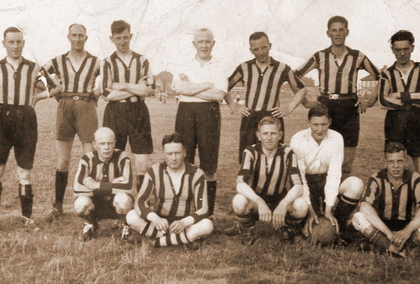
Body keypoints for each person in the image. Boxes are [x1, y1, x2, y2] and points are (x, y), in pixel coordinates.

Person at [0, 26, 60, 234]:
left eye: (19, 42)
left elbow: (55, 87)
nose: (16, 46)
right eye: (11, 42)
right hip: (1, 120)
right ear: (4, 44)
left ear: (23, 43)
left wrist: (37, 97)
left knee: (25, 172)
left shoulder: (34, 68)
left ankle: (26, 218)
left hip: (26, 120)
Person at [294, 16, 380, 177]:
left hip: (350, 108)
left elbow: (381, 76)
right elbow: (294, 76)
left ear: (347, 32)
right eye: (334, 30)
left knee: (346, 164)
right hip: (326, 107)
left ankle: (343, 201)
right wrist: (305, 101)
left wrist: (369, 100)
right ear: (328, 33)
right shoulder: (320, 56)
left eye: (341, 29)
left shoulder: (357, 56)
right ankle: (324, 199)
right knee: (323, 159)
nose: (338, 33)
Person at [43, 23, 101, 223]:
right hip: (65, 106)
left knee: (90, 158)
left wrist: (97, 93)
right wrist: (55, 90)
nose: (77, 39)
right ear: (68, 36)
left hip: (86, 106)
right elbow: (39, 73)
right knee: (63, 160)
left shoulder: (95, 61)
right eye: (74, 35)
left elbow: (108, 79)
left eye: (81, 35)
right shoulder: (58, 60)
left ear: (86, 37)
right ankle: (58, 205)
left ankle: (93, 204)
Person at [228, 31, 308, 163]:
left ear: (270, 46)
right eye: (256, 49)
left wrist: (288, 108)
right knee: (247, 159)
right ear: (251, 50)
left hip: (273, 117)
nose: (260, 52)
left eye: (264, 47)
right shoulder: (244, 67)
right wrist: (233, 105)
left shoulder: (282, 68)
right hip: (250, 117)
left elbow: (301, 89)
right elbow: (224, 86)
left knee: (274, 158)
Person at [172, 28, 227, 216]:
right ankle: (184, 211)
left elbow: (219, 94)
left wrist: (190, 87)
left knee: (209, 164)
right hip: (185, 112)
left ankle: (207, 213)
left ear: (213, 43)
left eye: (207, 41)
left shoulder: (219, 66)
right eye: (200, 41)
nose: (204, 45)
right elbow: (178, 88)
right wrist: (206, 85)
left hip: (209, 113)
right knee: (183, 159)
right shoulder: (183, 62)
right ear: (194, 44)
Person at [290, 104, 365, 243]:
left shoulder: (336, 138)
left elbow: (334, 174)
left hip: (325, 179)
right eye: (315, 124)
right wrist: (311, 211)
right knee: (302, 209)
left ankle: (338, 224)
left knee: (356, 184)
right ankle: (296, 227)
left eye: (324, 124)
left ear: (330, 122)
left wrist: (329, 209)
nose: (320, 129)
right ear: (308, 122)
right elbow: (300, 178)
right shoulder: (297, 139)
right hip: (306, 181)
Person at [125, 133, 213, 247]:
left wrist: (184, 222)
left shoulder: (197, 174)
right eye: (169, 153)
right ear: (164, 154)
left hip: (184, 224)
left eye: (177, 153)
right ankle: (184, 239)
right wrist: (155, 218)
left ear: (185, 153)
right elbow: (140, 201)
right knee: (131, 216)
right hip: (160, 223)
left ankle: (155, 242)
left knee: (207, 225)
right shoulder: (154, 171)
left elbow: (203, 209)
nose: (173, 158)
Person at [352, 142, 420, 257]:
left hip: (407, 227)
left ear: (406, 161)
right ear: (385, 163)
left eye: (400, 161)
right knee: (358, 218)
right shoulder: (377, 178)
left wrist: (407, 231)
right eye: (391, 162)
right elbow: (364, 206)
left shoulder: (414, 178)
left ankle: (384, 247)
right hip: (383, 228)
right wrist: (388, 234)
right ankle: (399, 249)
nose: (396, 166)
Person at [231, 116, 308, 245]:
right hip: (256, 200)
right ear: (258, 135)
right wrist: (259, 201)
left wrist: (284, 203)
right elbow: (240, 183)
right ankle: (248, 229)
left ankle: (287, 228)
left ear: (280, 135)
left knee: (301, 205)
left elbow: (298, 186)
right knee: (238, 201)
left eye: (273, 133)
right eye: (265, 133)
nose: (269, 137)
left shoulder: (288, 152)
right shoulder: (250, 151)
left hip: (279, 199)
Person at [378, 30, 420, 199]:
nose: (402, 53)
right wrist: (414, 99)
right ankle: (396, 209)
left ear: (412, 48)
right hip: (395, 123)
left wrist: (399, 95)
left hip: (418, 122)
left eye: (405, 49)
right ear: (392, 50)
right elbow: (382, 100)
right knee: (395, 171)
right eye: (397, 50)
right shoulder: (387, 73)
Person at [101, 20, 154, 191]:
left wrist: (122, 85)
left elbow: (149, 89)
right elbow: (106, 94)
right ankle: (117, 199)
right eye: (118, 38)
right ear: (112, 39)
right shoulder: (107, 62)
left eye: (125, 37)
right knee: (114, 156)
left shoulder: (142, 60)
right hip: (115, 112)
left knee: (142, 159)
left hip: (138, 111)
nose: (123, 41)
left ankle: (141, 202)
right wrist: (136, 88)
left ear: (130, 36)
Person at [73, 127, 135, 241]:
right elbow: (77, 188)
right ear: (94, 144)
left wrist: (97, 185)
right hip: (95, 204)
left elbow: (128, 186)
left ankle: (124, 223)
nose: (106, 147)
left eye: (110, 143)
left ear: (115, 143)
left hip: (115, 203)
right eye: (102, 143)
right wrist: (114, 184)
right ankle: (91, 223)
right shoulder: (87, 159)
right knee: (80, 204)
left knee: (124, 200)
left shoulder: (123, 157)